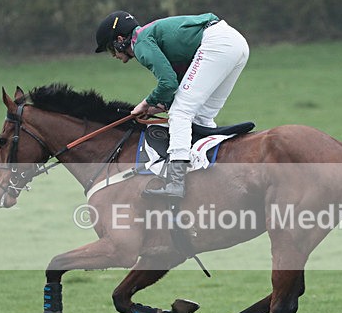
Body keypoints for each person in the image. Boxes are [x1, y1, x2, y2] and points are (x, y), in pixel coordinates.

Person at [95, 10, 249, 198]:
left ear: (120, 40)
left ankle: (176, 182)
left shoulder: (141, 44)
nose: (113, 56)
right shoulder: (148, 36)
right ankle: (206, 173)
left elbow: (168, 82)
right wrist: (158, 105)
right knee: (201, 116)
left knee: (180, 113)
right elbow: (178, 81)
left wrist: (145, 103)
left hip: (218, 44)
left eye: (111, 49)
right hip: (236, 43)